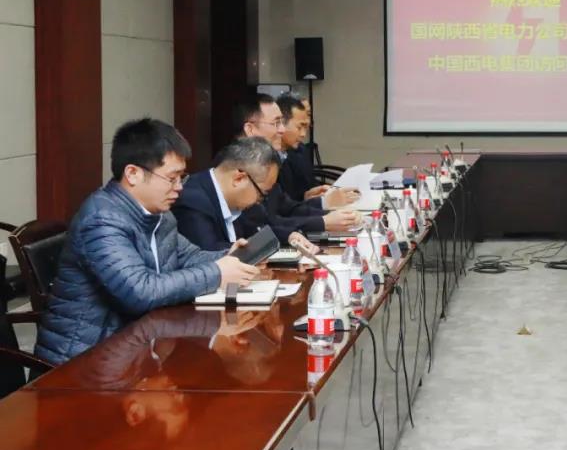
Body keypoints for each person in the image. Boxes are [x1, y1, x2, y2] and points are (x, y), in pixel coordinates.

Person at [34, 119, 259, 366]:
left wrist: (229, 257)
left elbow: (188, 256)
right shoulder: (102, 220)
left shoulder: (160, 215)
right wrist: (217, 273)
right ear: (133, 173)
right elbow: (139, 292)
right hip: (83, 360)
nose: (179, 188)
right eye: (172, 178)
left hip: (137, 349)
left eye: (181, 177)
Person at [232, 94, 358, 241]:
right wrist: (322, 222)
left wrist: (333, 211)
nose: (282, 130)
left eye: (282, 123)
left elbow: (287, 207)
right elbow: (264, 226)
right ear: (250, 129)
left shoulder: (264, 163)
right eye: (276, 123)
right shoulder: (234, 169)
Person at [173, 137, 281, 252]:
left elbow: (255, 231)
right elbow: (208, 252)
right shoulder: (193, 202)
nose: (259, 201)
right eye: (261, 194)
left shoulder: (234, 201)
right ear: (239, 179)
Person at [276, 94, 358, 207]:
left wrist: (309, 196)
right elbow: (279, 210)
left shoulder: (299, 150)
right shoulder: (268, 159)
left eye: (309, 113)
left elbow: (294, 199)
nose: (303, 134)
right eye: (299, 127)